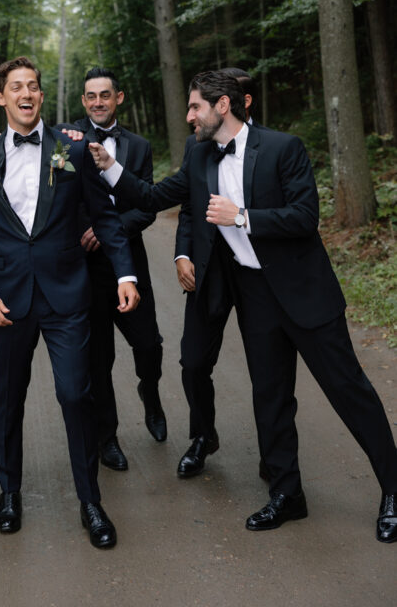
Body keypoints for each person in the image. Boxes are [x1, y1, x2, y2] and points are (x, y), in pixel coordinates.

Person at [90, 70, 397, 543]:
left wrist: (243, 217)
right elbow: (152, 196)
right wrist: (108, 164)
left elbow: (305, 216)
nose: (189, 116)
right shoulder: (198, 154)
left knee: (348, 391)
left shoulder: (282, 147)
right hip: (255, 296)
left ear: (223, 107)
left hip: (305, 293)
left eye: (195, 107)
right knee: (270, 396)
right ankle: (288, 495)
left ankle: (393, 489)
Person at [0, 56, 140, 549]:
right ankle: (9, 492)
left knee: (77, 395)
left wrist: (125, 272)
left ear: (41, 95)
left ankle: (91, 502)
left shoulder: (71, 150)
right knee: (7, 398)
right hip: (8, 302)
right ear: (2, 98)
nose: (26, 94)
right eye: (16, 87)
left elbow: (106, 216)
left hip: (68, 298)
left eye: (33, 86)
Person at [63, 66, 165, 472]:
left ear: (118, 98)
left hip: (128, 265)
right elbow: (53, 190)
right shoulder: (64, 140)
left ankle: (151, 394)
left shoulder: (139, 147)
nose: (98, 102)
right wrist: (83, 230)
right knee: (97, 359)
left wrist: (112, 230)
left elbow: (148, 206)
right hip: (84, 269)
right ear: (84, 100)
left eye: (105, 95)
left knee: (149, 346)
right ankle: (108, 438)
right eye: (91, 96)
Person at [174, 67, 264, 479]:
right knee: (193, 362)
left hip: (258, 274)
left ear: (243, 103)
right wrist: (181, 254)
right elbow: (189, 207)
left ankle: (274, 456)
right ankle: (202, 436)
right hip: (210, 268)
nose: (192, 117)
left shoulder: (272, 150)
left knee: (267, 371)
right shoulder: (200, 150)